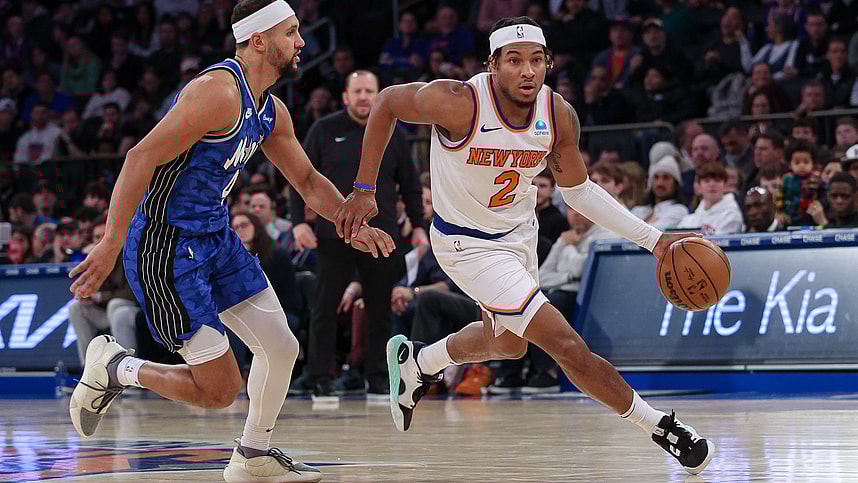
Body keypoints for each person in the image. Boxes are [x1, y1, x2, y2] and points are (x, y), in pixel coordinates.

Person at [334, 16, 714, 476]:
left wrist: (654, 241)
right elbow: (387, 104)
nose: (527, 71)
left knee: (508, 346)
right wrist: (364, 188)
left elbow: (578, 191)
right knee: (566, 345)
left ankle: (420, 362)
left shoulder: (558, 115)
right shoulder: (458, 103)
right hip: (466, 244)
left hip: (519, 235)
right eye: (514, 61)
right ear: (493, 65)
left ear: (548, 63)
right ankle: (661, 427)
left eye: (536, 60)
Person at [66, 2, 394, 482]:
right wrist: (110, 242)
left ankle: (252, 457)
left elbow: (306, 178)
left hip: (216, 237)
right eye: (291, 32)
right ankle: (116, 367)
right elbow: (139, 157)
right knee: (219, 391)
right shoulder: (217, 93)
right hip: (167, 247)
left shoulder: (270, 109)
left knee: (281, 347)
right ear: (259, 40)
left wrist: (351, 222)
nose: (301, 42)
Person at [290, 70, 424, 399]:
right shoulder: (324, 129)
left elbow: (410, 184)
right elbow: (300, 179)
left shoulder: (395, 133)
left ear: (378, 97)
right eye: (358, 91)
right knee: (324, 307)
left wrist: (419, 224)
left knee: (379, 309)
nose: (364, 97)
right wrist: (298, 222)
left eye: (370, 91)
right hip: (334, 235)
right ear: (345, 97)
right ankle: (319, 377)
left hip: (382, 235)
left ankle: (378, 378)